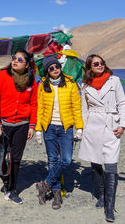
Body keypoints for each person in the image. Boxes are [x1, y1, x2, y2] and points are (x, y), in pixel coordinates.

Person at [78, 54, 125, 223]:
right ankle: (100, 194)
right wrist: (83, 129)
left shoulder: (114, 81)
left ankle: (109, 206)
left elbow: (122, 103)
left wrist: (123, 125)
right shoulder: (85, 85)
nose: (100, 65)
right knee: (95, 163)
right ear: (90, 68)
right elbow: (84, 109)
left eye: (102, 63)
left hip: (112, 125)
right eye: (96, 64)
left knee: (111, 165)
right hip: (92, 126)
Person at [0, 49, 37, 205]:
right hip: (2, 125)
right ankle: (7, 181)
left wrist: (32, 125)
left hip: (22, 125)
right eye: (14, 58)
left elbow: (34, 104)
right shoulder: (1, 76)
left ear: (27, 64)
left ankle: (12, 189)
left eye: (20, 60)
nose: (15, 61)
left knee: (15, 159)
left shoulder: (31, 80)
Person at [35, 54, 84, 210]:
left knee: (66, 159)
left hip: (66, 127)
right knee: (52, 160)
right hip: (48, 127)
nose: (55, 69)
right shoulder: (43, 85)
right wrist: (37, 130)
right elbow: (40, 108)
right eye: (51, 68)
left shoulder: (70, 83)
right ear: (47, 71)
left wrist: (80, 127)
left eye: (57, 66)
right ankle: (57, 196)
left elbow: (76, 107)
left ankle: (45, 184)